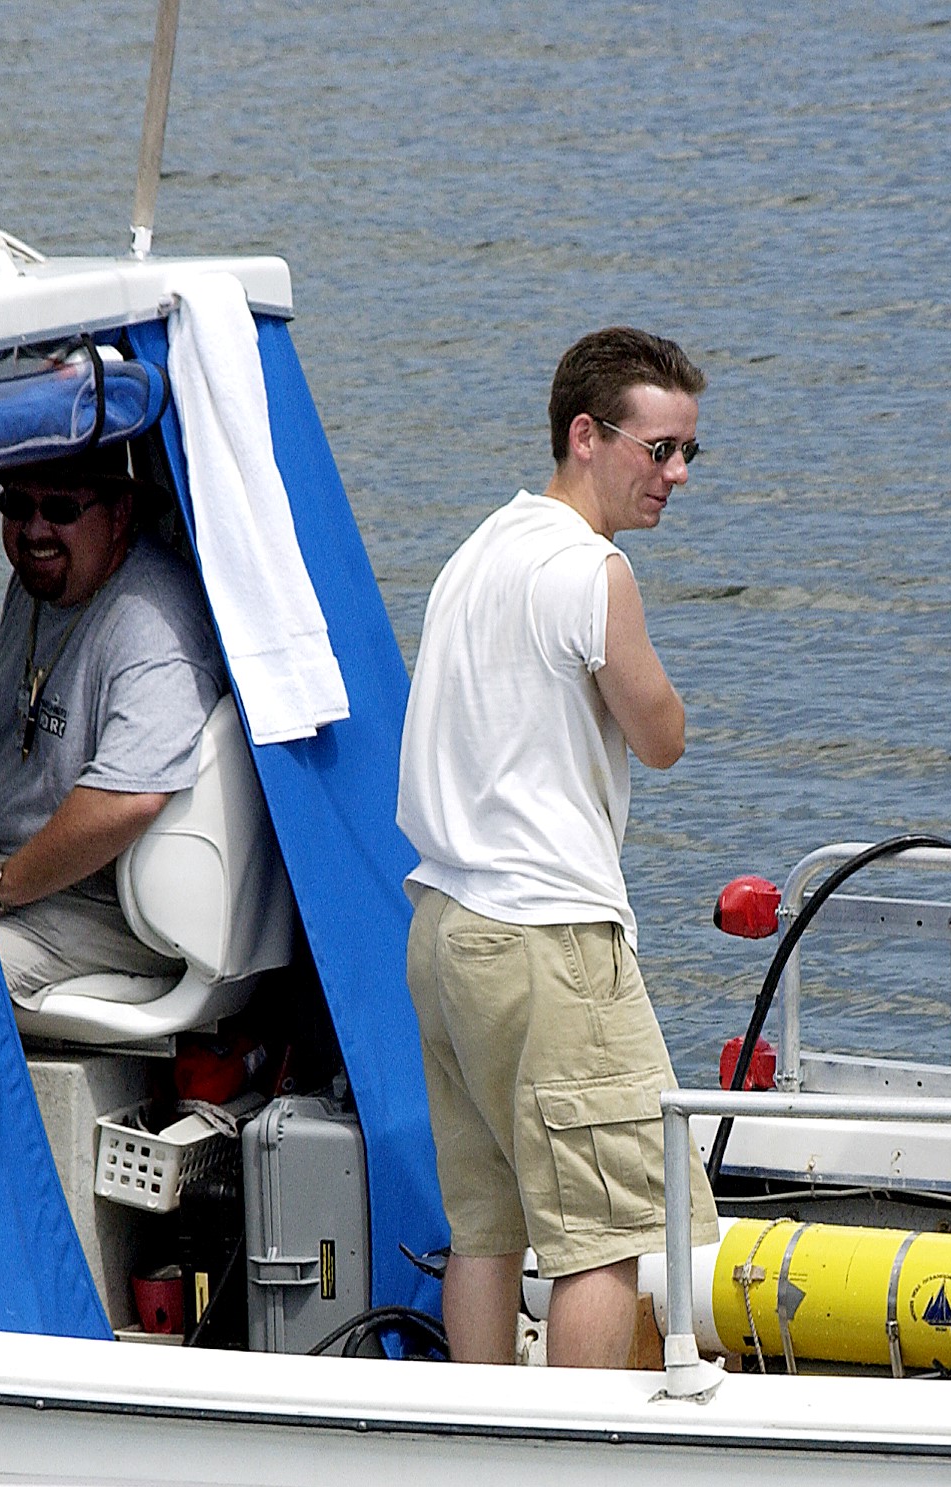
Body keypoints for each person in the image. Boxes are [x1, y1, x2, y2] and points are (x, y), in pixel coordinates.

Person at [398, 327, 719, 1370]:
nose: (673, 475)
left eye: (687, 454)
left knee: (486, 1227)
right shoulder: (594, 570)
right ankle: (573, 1461)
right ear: (586, 435)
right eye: (657, 448)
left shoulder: (481, 547)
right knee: (603, 1234)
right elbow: (663, 736)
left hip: (446, 929)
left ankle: (488, 1438)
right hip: (549, 936)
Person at [0, 442, 228, 1006]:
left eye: (61, 509)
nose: (34, 530)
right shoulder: (36, 585)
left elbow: (126, 801)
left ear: (120, 512)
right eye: (16, 506)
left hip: (95, 905)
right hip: (7, 866)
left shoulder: (155, 624)